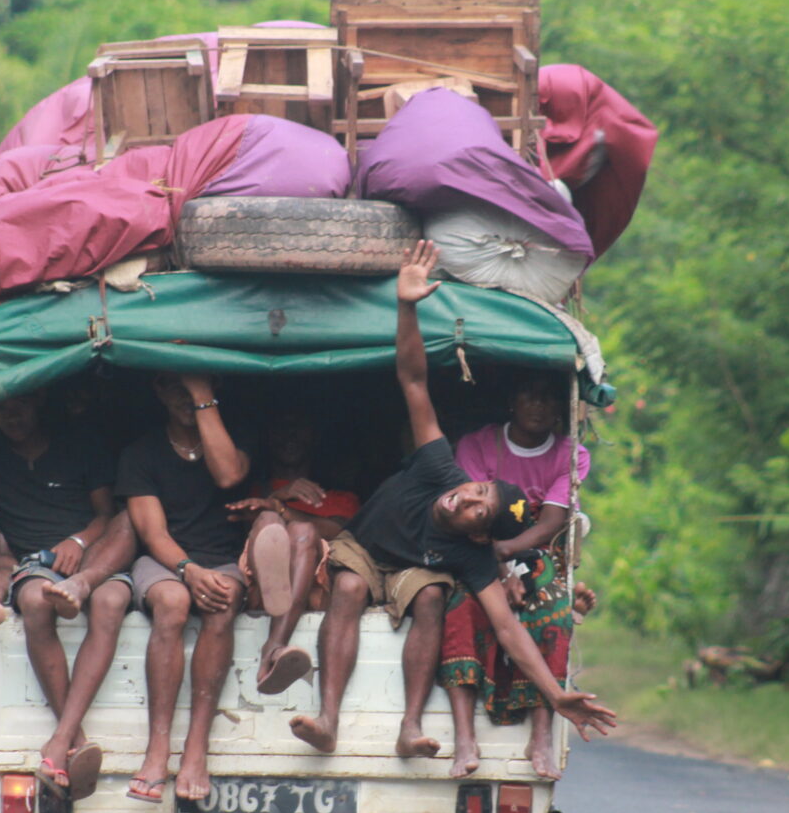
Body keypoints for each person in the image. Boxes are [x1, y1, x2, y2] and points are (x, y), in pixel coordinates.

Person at [295, 241, 617, 756]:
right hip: (366, 548)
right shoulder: (440, 467)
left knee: (429, 598)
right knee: (351, 587)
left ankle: (410, 727)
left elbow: (509, 630)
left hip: (410, 570)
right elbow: (414, 379)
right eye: (477, 489)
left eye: (476, 509)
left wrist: (558, 697)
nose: (464, 499)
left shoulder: (470, 554)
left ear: (480, 534)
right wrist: (407, 306)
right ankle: (327, 719)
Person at [0, 389, 138, 798]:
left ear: (39, 405)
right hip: (36, 563)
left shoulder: (80, 444)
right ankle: (72, 737)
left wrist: (78, 544)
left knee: (113, 599)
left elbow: (106, 514)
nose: (11, 415)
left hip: (92, 556)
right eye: (1, 409)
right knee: (32, 600)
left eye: (20, 405)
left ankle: (61, 740)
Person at [440, 372, 592, 779]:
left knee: (553, 611)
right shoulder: (477, 445)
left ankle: (541, 733)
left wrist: (509, 556)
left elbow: (551, 522)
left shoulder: (571, 454)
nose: (539, 405)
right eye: (529, 395)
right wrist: (497, 565)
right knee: (460, 608)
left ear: (560, 407)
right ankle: (465, 738)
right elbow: (468, 514)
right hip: (475, 547)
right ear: (512, 402)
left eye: (547, 397)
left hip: (536, 553)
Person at [115, 372, 252, 804]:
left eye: (194, 387)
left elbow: (229, 475)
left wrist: (201, 397)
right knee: (172, 602)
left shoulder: (238, 438)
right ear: (157, 389)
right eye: (174, 386)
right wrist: (188, 570)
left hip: (223, 562)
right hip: (165, 561)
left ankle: (196, 748)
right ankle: (157, 750)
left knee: (223, 603)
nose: (184, 398)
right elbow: (152, 534)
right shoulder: (140, 453)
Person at [228, 407, 361, 694]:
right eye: (280, 427)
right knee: (266, 521)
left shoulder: (340, 496)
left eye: (298, 427)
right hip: (256, 589)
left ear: (314, 437)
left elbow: (338, 530)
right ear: (266, 437)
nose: (289, 435)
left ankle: (274, 641)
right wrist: (273, 501)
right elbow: (241, 529)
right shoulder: (252, 490)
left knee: (302, 531)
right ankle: (274, 646)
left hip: (313, 590)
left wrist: (279, 507)